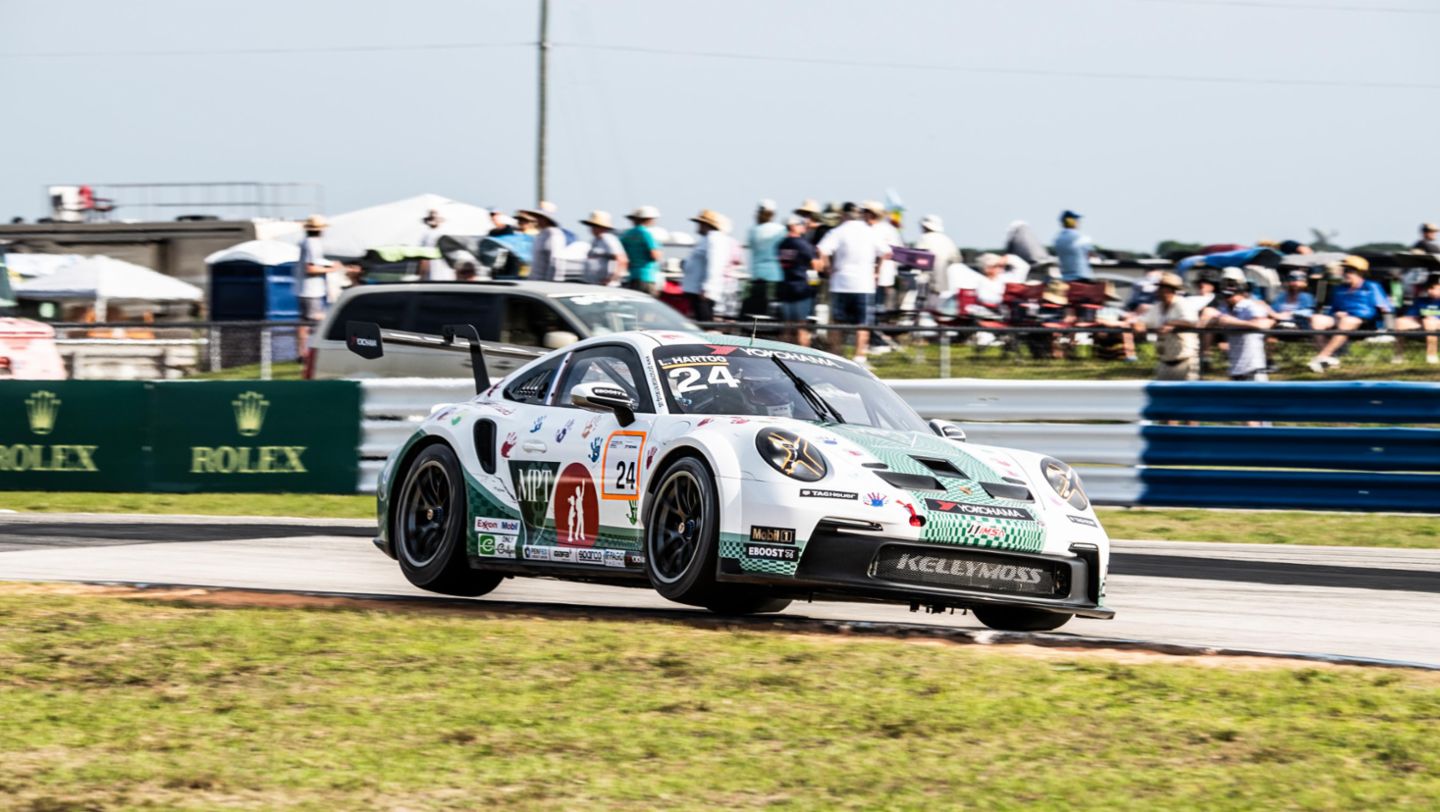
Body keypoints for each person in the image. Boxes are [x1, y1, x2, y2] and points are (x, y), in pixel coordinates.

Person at [817, 202, 891, 365]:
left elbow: (822, 250)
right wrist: (877, 270)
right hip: (864, 283)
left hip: (840, 282)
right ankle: (859, 357)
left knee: (837, 323)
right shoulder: (871, 232)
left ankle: (835, 356)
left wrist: (828, 268)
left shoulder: (838, 231)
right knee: (862, 324)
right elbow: (886, 252)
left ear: (844, 215)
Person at [1308, 256, 1394, 373]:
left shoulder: (1372, 286)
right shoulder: (1339, 289)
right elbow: (1332, 310)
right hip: (1341, 321)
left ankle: (1322, 356)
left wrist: (1387, 325)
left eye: (1350, 271)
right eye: (1345, 270)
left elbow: (1385, 308)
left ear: (1361, 273)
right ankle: (1328, 358)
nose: (1345, 273)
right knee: (1316, 319)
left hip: (1365, 324)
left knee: (1348, 320)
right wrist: (1337, 313)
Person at [1202, 279, 1274, 381]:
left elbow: (1264, 324)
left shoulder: (1250, 306)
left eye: (1230, 295)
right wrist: (1213, 320)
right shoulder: (1224, 308)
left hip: (1253, 368)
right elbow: (1208, 322)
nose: (1227, 299)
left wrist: (1234, 322)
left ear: (1241, 294)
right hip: (1235, 368)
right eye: (1225, 296)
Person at [1138, 272, 1201, 381]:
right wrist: (1139, 325)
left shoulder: (1183, 303)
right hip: (1164, 362)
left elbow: (1192, 321)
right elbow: (1143, 321)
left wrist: (1171, 323)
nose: (1157, 291)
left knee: (1187, 396)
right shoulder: (1157, 307)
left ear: (1169, 290)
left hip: (1186, 361)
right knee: (1162, 397)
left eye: (1161, 287)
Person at [295, 214, 336, 352]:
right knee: (317, 318)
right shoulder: (313, 243)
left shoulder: (306, 242)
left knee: (305, 321)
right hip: (311, 290)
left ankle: (303, 351)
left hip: (305, 289)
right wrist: (332, 269)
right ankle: (312, 350)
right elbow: (310, 268)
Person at [775, 216, 818, 347]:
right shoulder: (803, 245)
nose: (804, 226)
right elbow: (815, 267)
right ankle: (806, 359)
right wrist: (814, 287)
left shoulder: (782, 244)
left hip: (786, 286)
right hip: (802, 288)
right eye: (801, 224)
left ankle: (782, 355)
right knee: (801, 326)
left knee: (786, 327)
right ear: (794, 226)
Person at [680, 209, 729, 321]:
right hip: (696, 291)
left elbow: (714, 264)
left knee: (706, 324)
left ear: (705, 224)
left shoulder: (714, 239)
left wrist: (707, 287)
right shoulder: (707, 239)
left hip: (702, 293)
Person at [743, 200, 785, 317]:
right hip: (776, 276)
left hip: (757, 276)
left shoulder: (753, 231)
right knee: (772, 312)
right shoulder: (781, 230)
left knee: (755, 312)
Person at [863, 201, 901, 319]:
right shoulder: (890, 229)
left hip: (874, 275)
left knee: (873, 307)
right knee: (878, 307)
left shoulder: (873, 229)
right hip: (883, 276)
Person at [1395, 274, 1440, 364]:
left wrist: (1433, 319)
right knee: (1400, 322)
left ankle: (1431, 356)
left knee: (1430, 322)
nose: (1429, 291)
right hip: (1423, 325)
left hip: (1434, 326)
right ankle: (1398, 356)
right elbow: (1410, 316)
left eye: (1433, 288)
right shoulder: (1421, 301)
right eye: (1428, 288)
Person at [620, 205, 663, 295]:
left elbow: (622, 254)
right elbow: (655, 255)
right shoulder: (646, 233)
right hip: (647, 276)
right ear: (649, 219)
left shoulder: (626, 235)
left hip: (632, 275)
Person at [913, 214, 960, 295]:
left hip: (924, 279)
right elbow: (956, 258)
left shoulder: (924, 238)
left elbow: (917, 256)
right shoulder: (946, 239)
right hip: (941, 280)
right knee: (934, 302)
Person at [580, 211, 628, 286]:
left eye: (594, 226)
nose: (591, 228)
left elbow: (622, 260)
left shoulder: (608, 239)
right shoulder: (595, 240)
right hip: (594, 283)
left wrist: (613, 278)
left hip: (606, 284)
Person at [522, 202, 566, 281]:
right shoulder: (541, 234)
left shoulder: (554, 234)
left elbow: (556, 262)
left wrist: (552, 284)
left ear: (546, 219)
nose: (537, 220)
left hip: (545, 285)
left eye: (539, 217)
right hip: (535, 281)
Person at [1054, 210, 1096, 281]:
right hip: (1082, 275)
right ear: (1073, 222)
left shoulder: (1058, 239)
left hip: (1065, 277)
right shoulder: (1082, 238)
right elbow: (1090, 255)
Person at [417, 209, 455, 281]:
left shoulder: (429, 235)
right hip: (442, 276)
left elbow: (423, 258)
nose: (432, 221)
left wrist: (421, 276)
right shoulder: (427, 234)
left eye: (434, 218)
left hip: (438, 276)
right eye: (430, 218)